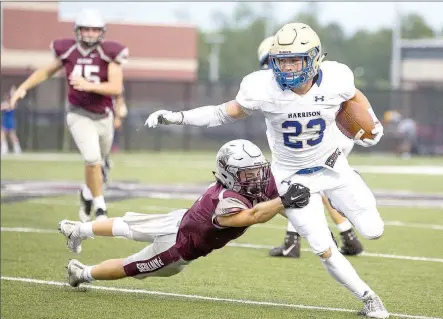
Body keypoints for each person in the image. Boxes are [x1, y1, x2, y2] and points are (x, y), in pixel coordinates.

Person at [145, 23, 389, 318]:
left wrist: (372, 123)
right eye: (281, 60)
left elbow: (354, 96)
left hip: (333, 166)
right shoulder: (263, 87)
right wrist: (178, 117)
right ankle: (369, 298)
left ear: (313, 58)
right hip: (291, 179)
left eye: (294, 59)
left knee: (374, 231)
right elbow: (222, 112)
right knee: (322, 247)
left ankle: (340, 194)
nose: (286, 68)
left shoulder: (337, 78)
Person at [58, 139, 310, 287]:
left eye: (258, 171)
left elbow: (279, 205)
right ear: (230, 174)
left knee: (127, 225)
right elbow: (254, 215)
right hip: (177, 247)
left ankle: (77, 228)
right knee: (130, 266)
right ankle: (81, 273)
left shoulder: (248, 184)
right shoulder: (228, 200)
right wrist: (285, 201)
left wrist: (307, 225)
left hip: (180, 219)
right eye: (248, 174)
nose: (257, 178)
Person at [10, 9, 128, 221]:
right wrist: (23, 88)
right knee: (92, 159)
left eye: (95, 29)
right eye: (86, 29)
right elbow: (46, 71)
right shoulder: (68, 51)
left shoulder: (109, 52)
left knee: (99, 163)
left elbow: (116, 86)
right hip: (78, 114)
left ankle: (86, 192)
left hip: (104, 116)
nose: (91, 33)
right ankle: (100, 207)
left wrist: (88, 85)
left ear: (102, 32)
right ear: (78, 31)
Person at [257, 36, 363, 258]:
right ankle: (346, 236)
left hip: (324, 141)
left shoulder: (289, 85)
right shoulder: (314, 76)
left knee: (297, 185)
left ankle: (298, 242)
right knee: (309, 187)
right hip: (334, 138)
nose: (279, 68)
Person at [1, 85, 23, 155]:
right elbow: (2, 106)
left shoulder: (14, 101)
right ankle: (4, 149)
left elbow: (11, 106)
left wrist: (6, 106)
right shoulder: (5, 102)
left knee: (12, 135)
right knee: (2, 134)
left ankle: (17, 149)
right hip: (5, 120)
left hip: (10, 120)